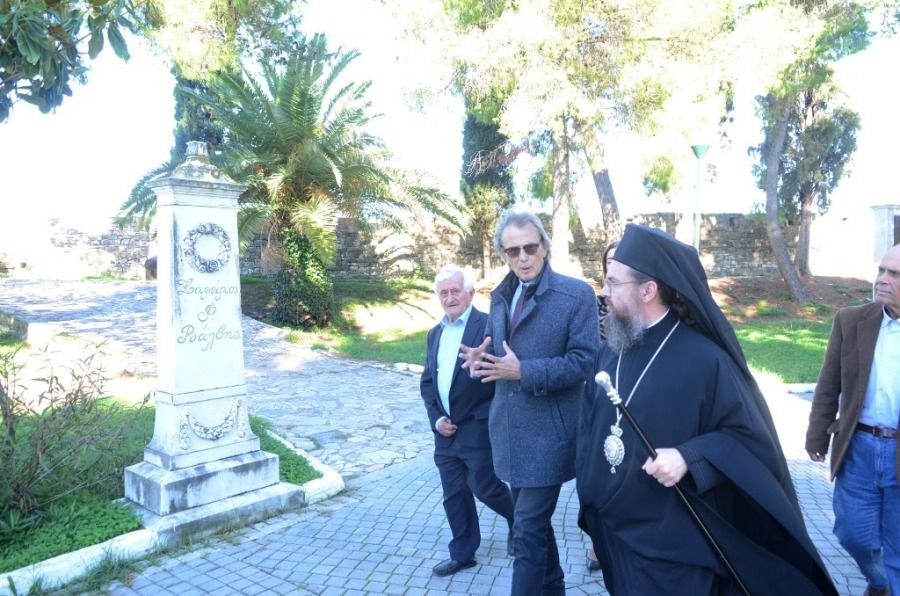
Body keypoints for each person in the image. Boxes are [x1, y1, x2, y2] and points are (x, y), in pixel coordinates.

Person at [576, 223, 836, 595]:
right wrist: (591, 499)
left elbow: (747, 439)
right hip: (616, 537)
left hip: (675, 549)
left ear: (648, 290)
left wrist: (689, 457)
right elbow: (590, 427)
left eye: (613, 282)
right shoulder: (611, 349)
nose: (603, 292)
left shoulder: (706, 361)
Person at [460, 209, 599, 596]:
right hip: (509, 434)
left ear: (545, 247)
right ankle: (554, 588)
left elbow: (585, 362)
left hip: (550, 437)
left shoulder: (576, 295)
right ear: (503, 254)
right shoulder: (501, 296)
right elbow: (500, 354)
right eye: (512, 251)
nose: (522, 257)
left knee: (525, 531)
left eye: (529, 248)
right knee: (532, 525)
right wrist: (482, 359)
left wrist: (524, 371)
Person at [806, 243, 900, 596]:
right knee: (851, 534)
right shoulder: (851, 321)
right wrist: (817, 436)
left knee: (897, 546)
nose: (882, 280)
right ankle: (880, 583)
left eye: (895, 274)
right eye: (882, 270)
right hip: (858, 447)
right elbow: (828, 384)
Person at [420, 264, 515, 577]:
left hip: (477, 425)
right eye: (443, 293)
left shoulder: (488, 327)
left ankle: (518, 520)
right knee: (454, 494)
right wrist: (436, 420)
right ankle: (463, 552)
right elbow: (427, 383)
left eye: (455, 291)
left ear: (470, 294)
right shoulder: (435, 334)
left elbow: (502, 371)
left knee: (485, 487)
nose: (449, 298)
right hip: (445, 432)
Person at [587, 239, 617, 573]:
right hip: (597, 388)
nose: (613, 265)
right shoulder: (595, 304)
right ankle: (596, 541)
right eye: (608, 260)